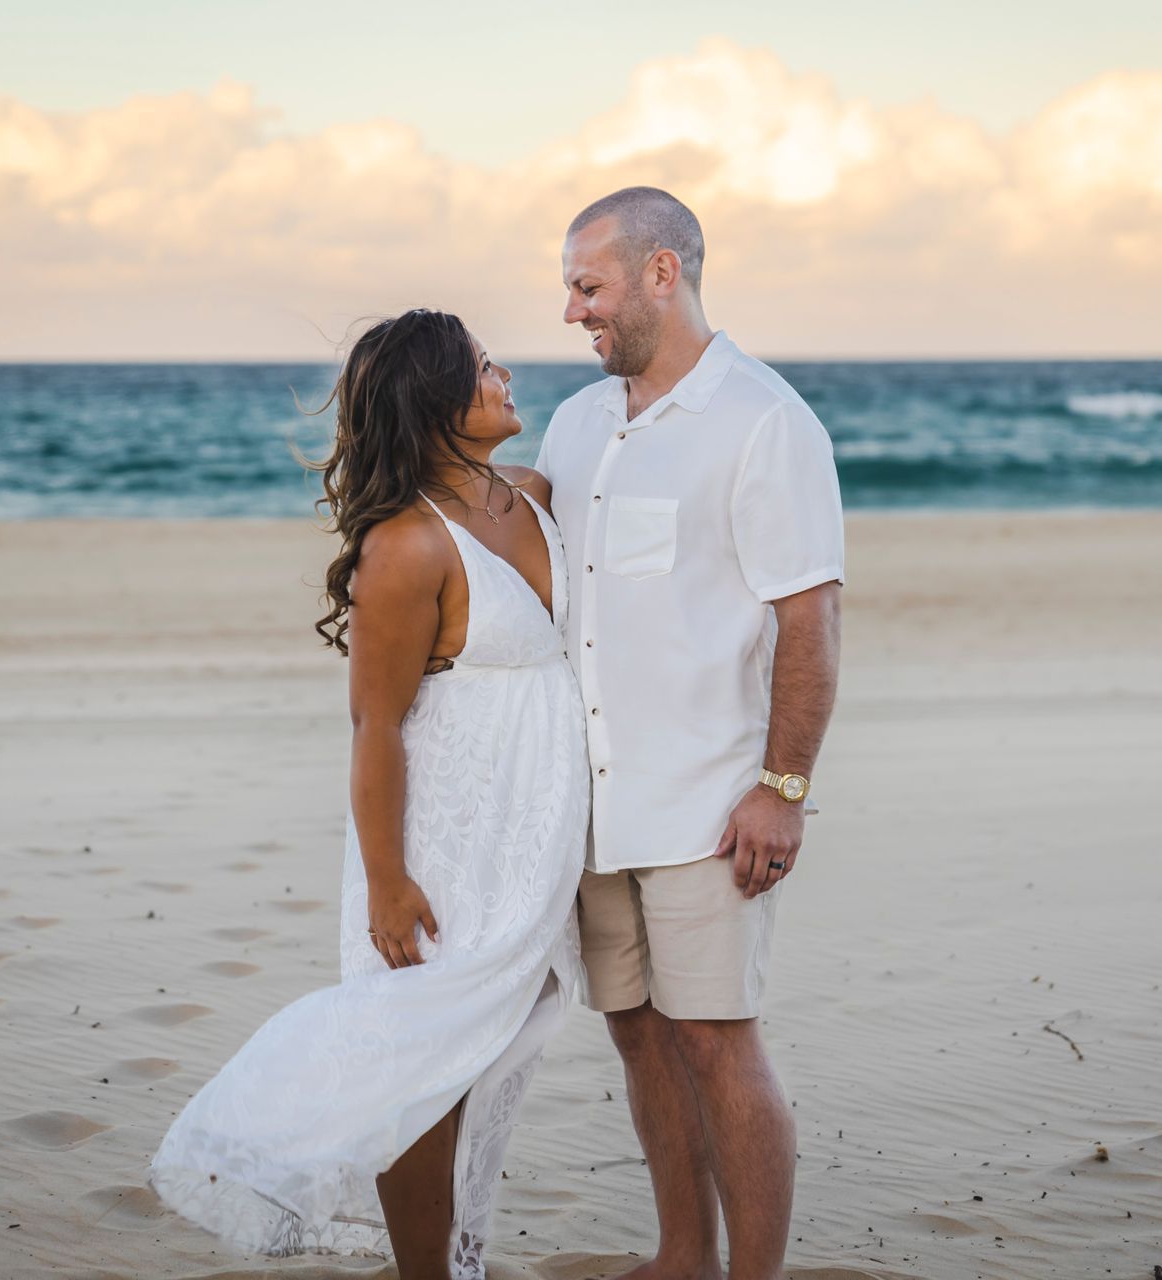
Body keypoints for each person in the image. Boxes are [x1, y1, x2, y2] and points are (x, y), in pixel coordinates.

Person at [147, 309, 588, 1280]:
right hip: (438, 843)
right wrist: (388, 879)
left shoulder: (531, 493)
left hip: (527, 835)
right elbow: (375, 725)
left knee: (477, 1047)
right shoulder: (406, 547)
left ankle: (457, 1252)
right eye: (482, 367)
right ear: (435, 400)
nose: (506, 372)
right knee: (415, 1063)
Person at [535, 187, 846, 1280]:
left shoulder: (765, 422)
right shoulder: (576, 424)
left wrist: (784, 786)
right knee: (635, 1030)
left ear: (663, 274)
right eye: (570, 288)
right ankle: (683, 1254)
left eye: (590, 285)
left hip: (710, 808)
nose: (574, 311)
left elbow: (808, 617)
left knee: (716, 1037)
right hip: (594, 807)